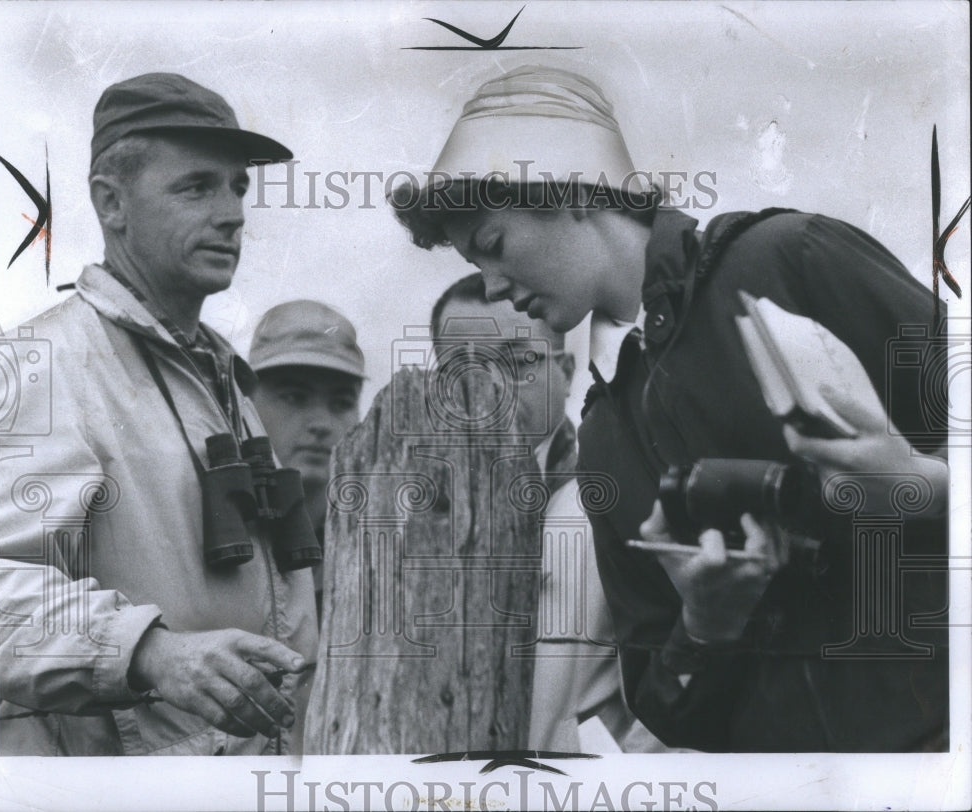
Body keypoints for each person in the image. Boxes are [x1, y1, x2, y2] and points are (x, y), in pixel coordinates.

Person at [391, 64, 948, 751]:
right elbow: (668, 711)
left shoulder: (789, 259)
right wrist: (708, 624)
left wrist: (922, 489)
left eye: (493, 247)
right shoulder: (605, 434)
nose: (494, 285)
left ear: (570, 190)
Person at [0, 73, 320, 756]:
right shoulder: (45, 363)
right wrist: (148, 653)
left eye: (239, 187)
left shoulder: (221, 372)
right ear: (111, 204)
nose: (233, 213)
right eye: (197, 187)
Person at [430, 273, 669, 753]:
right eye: (466, 369)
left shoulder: (616, 507)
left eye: (519, 363)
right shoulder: (409, 524)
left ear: (563, 370)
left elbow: (675, 705)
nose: (492, 388)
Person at [248, 300, 365, 620]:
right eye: (294, 397)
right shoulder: (210, 522)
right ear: (248, 403)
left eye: (341, 403)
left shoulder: (383, 547)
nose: (321, 423)